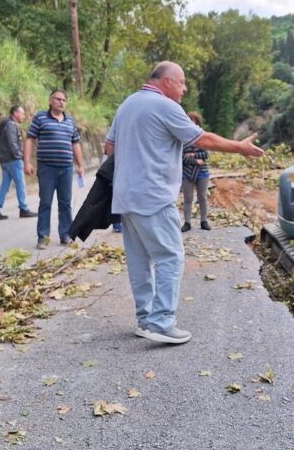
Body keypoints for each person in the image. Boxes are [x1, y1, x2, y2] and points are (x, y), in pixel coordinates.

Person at [105, 61, 264, 344]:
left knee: (140, 262)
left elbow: (109, 148)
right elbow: (200, 138)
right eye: (182, 82)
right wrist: (239, 147)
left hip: (125, 198)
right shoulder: (165, 106)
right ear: (167, 81)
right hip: (153, 197)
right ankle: (162, 322)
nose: (185, 88)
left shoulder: (127, 104)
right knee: (170, 257)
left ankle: (145, 320)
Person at [24, 89, 85, 249]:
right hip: (47, 168)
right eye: (57, 99)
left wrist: (80, 165)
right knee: (45, 202)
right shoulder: (40, 118)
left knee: (65, 203)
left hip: (66, 168)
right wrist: (27, 162)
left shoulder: (70, 121)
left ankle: (66, 234)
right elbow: (30, 139)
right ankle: (43, 237)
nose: (61, 102)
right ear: (50, 101)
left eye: (64, 100)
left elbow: (75, 144)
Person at [0, 105, 36, 220]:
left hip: (5, 160)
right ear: (15, 113)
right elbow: (13, 143)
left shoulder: (6, 124)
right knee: (21, 184)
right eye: (22, 113)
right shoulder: (11, 125)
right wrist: (21, 158)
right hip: (12, 160)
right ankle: (24, 209)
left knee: (5, 185)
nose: (24, 116)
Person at [181, 111, 211, 232]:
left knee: (202, 197)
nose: (190, 122)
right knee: (188, 198)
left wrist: (191, 154)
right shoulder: (181, 138)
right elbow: (180, 157)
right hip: (186, 172)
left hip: (202, 172)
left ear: (197, 122)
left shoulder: (202, 137)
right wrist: (195, 160)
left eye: (192, 120)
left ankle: (204, 221)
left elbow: (205, 154)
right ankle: (187, 222)